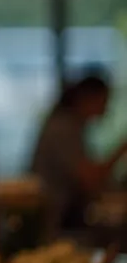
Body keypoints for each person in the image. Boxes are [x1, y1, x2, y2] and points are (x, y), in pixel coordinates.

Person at [31, 74, 127, 234]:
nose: (105, 108)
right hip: (57, 220)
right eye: (104, 101)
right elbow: (90, 179)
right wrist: (121, 150)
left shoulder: (71, 126)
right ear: (88, 98)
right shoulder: (63, 128)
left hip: (63, 215)